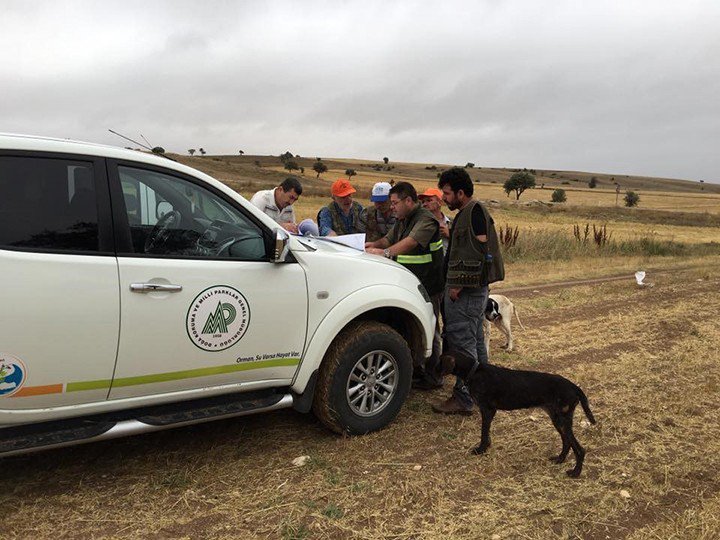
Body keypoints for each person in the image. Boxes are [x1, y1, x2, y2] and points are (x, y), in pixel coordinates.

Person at [432, 167, 505, 415]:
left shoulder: (473, 212)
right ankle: (486, 388)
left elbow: (477, 252)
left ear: (461, 193)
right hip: (473, 291)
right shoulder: (469, 212)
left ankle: (464, 398)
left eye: (447, 193)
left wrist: (458, 285)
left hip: (465, 293)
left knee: (463, 346)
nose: (444, 198)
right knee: (474, 341)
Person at [365, 182, 445, 389]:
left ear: (408, 201)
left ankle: (434, 376)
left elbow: (410, 242)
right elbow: (388, 239)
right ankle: (417, 369)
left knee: (431, 328)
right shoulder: (403, 219)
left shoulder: (426, 219)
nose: (391, 207)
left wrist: (384, 253)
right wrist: (371, 246)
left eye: (394, 203)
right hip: (410, 283)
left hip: (429, 284)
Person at [418, 187, 451, 253]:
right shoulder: (419, 223)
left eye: (429, 200)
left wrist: (450, 235)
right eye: (423, 202)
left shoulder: (451, 223)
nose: (424, 204)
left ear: (440, 202)